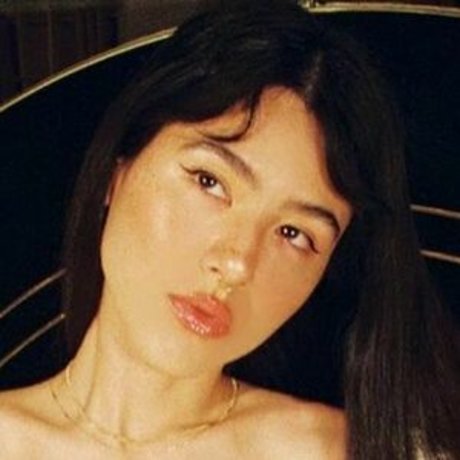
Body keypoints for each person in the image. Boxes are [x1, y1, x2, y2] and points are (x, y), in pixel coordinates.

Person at [0, 1, 458, 458]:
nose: (237, 263)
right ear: (117, 171)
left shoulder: (352, 450)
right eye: (209, 182)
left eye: (293, 233)